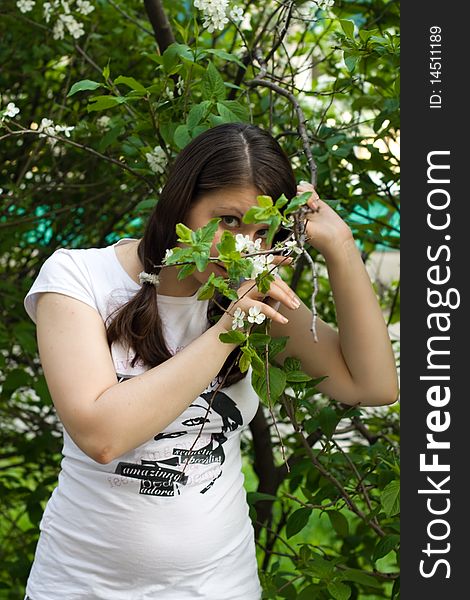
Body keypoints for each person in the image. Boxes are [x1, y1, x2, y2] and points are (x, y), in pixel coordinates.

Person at [23, 122, 399, 600]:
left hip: (220, 586)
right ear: (181, 204)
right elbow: (101, 436)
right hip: (79, 586)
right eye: (228, 221)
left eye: (263, 231)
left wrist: (341, 249)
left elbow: (372, 386)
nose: (244, 245)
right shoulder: (79, 278)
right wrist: (229, 330)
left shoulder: (251, 295)